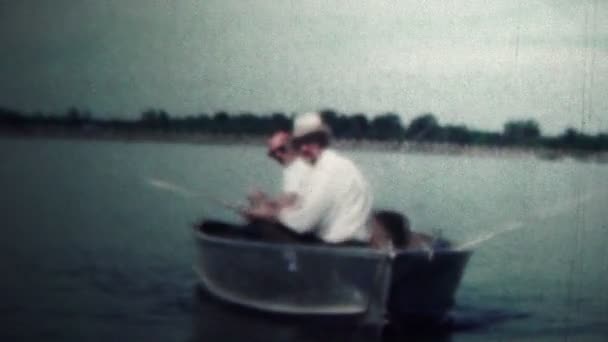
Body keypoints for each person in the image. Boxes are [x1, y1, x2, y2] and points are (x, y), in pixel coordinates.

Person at [244, 112, 373, 244]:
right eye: (299, 143)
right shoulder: (334, 164)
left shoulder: (327, 170)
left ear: (323, 140)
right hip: (350, 242)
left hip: (341, 247)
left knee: (260, 228)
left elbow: (302, 223)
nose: (304, 148)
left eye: (310, 141)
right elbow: (302, 209)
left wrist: (268, 214)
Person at [248, 131, 311, 210]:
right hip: (298, 214)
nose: (277, 155)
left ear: (292, 146)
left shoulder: (300, 167)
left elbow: (290, 200)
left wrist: (263, 203)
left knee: (255, 197)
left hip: (304, 217)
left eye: (282, 149)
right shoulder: (291, 168)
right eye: (272, 153)